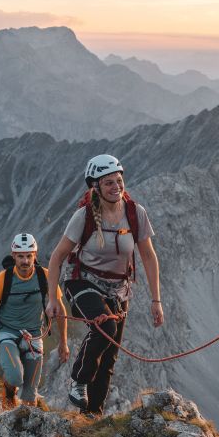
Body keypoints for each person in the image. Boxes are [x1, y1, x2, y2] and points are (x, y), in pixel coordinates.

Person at [45, 154, 164, 415]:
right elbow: (56, 257)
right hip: (82, 281)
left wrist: (156, 300)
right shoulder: (84, 216)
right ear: (95, 187)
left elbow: (148, 255)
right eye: (108, 182)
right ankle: (78, 379)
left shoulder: (135, 213)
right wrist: (52, 299)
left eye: (119, 181)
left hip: (119, 290)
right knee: (105, 326)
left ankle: (92, 416)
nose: (116, 187)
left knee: (109, 356)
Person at [0, 233, 69, 407]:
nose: (25, 261)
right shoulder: (2, 279)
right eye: (20, 256)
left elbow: (61, 309)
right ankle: (8, 392)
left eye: (29, 256)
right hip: (7, 333)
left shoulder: (45, 276)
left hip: (34, 336)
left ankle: (25, 426)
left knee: (30, 397)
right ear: (13, 256)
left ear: (35, 255)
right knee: (15, 376)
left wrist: (63, 343)